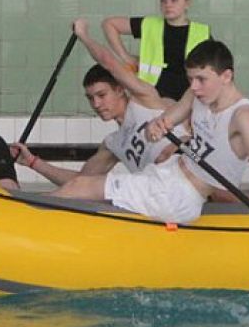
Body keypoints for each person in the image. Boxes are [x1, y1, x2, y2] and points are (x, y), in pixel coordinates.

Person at [13, 19, 208, 223]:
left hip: (187, 178)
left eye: (102, 95)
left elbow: (109, 62)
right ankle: (23, 217)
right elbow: (80, 181)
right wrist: (34, 163)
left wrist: (84, 36)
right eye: (90, 98)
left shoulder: (145, 98)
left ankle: (22, 216)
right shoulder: (113, 143)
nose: (96, 104)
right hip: (158, 191)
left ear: (120, 89)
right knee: (79, 188)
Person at [144, 39, 249, 228]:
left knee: (104, 189)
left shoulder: (243, 115)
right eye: (191, 79)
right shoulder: (196, 94)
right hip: (171, 175)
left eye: (201, 79)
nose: (194, 86)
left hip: (191, 194)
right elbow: (162, 123)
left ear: (226, 76)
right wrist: (153, 129)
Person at [102, 0, 211, 102]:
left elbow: (214, 71)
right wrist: (126, 57)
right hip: (151, 99)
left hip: (189, 101)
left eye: (174, 0)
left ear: (187, 3)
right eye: (163, 1)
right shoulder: (149, 25)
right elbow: (109, 24)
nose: (168, 5)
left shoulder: (202, 32)